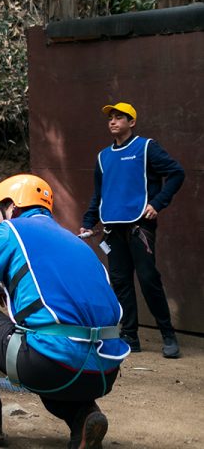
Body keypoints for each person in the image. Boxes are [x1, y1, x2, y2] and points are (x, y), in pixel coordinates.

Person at [0, 174, 129, 448]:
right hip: (103, 373)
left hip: (49, 365)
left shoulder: (11, 230)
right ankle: (84, 416)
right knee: (56, 345)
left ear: (13, 208)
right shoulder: (76, 242)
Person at [80, 102, 185, 358]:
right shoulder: (103, 156)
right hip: (112, 229)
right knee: (120, 282)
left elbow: (176, 173)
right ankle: (130, 336)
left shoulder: (146, 147)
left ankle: (168, 335)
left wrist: (157, 204)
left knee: (149, 279)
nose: (113, 122)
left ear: (132, 122)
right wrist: (89, 221)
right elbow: (99, 193)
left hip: (140, 226)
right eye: (110, 119)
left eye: (119, 118)